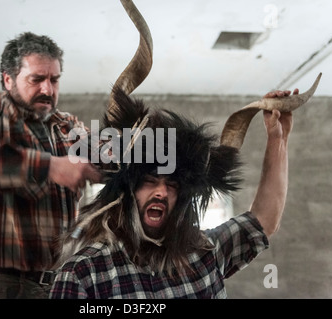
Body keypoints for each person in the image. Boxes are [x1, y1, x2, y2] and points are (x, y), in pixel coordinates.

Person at [48, 85, 298, 299]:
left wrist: (279, 138)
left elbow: (263, 220)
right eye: (149, 180)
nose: (161, 192)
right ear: (127, 191)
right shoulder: (84, 273)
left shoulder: (206, 253)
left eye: (172, 184)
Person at [0, 32, 102, 299]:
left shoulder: (69, 126)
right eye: (37, 79)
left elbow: (107, 160)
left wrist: (131, 150)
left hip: (60, 285)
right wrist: (50, 167)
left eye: (54, 80)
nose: (48, 90)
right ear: (8, 79)